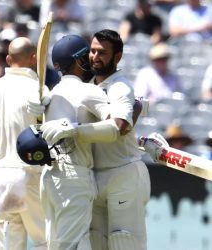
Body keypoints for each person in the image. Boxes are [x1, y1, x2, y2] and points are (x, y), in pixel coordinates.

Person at [36, 34, 127, 250]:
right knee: (69, 246)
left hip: (48, 177)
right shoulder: (88, 91)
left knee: (53, 244)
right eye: (87, 55)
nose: (91, 59)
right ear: (79, 60)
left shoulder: (52, 93)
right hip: (73, 177)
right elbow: (116, 128)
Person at [87, 29, 151, 250]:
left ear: (117, 56)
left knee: (124, 241)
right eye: (93, 51)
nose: (95, 56)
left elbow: (120, 126)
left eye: (102, 52)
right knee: (97, 242)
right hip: (95, 176)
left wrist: (74, 131)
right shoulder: (88, 87)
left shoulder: (121, 87)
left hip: (123, 173)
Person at [0, 37, 48, 249]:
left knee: (7, 245)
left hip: (1, 175)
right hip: (31, 174)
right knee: (44, 241)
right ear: (33, 59)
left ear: (9, 59)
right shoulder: (39, 89)